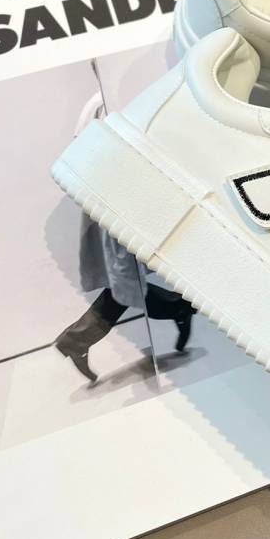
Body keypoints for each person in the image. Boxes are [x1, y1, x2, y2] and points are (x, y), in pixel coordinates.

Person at [54, 91, 196, 384]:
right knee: (126, 281)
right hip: (120, 198)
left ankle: (178, 308)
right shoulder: (107, 98)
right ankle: (179, 308)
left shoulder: (99, 101)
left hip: (117, 196)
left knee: (127, 281)